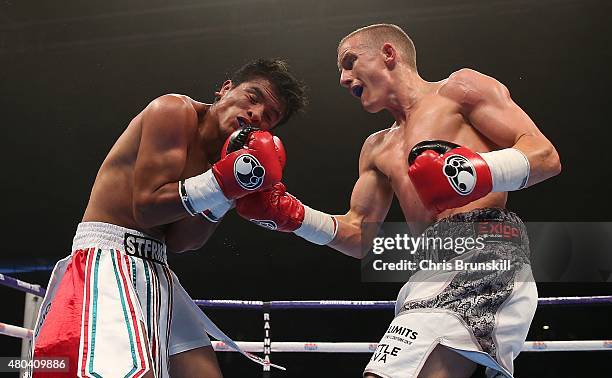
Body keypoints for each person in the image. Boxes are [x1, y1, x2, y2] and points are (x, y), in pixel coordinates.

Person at [235, 24, 561, 377]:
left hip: (484, 252)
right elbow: (360, 236)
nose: (344, 78)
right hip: (428, 269)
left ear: (388, 54)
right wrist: (292, 216)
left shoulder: (459, 90)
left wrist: (472, 172)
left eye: (350, 62)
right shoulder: (377, 148)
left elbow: (544, 156)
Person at [30, 58, 307, 377]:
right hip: (106, 259)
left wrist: (228, 194)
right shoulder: (173, 110)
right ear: (225, 89)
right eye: (253, 97)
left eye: (269, 117)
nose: (256, 114)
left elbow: (182, 241)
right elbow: (146, 208)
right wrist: (221, 183)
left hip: (157, 267)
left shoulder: (229, 161)